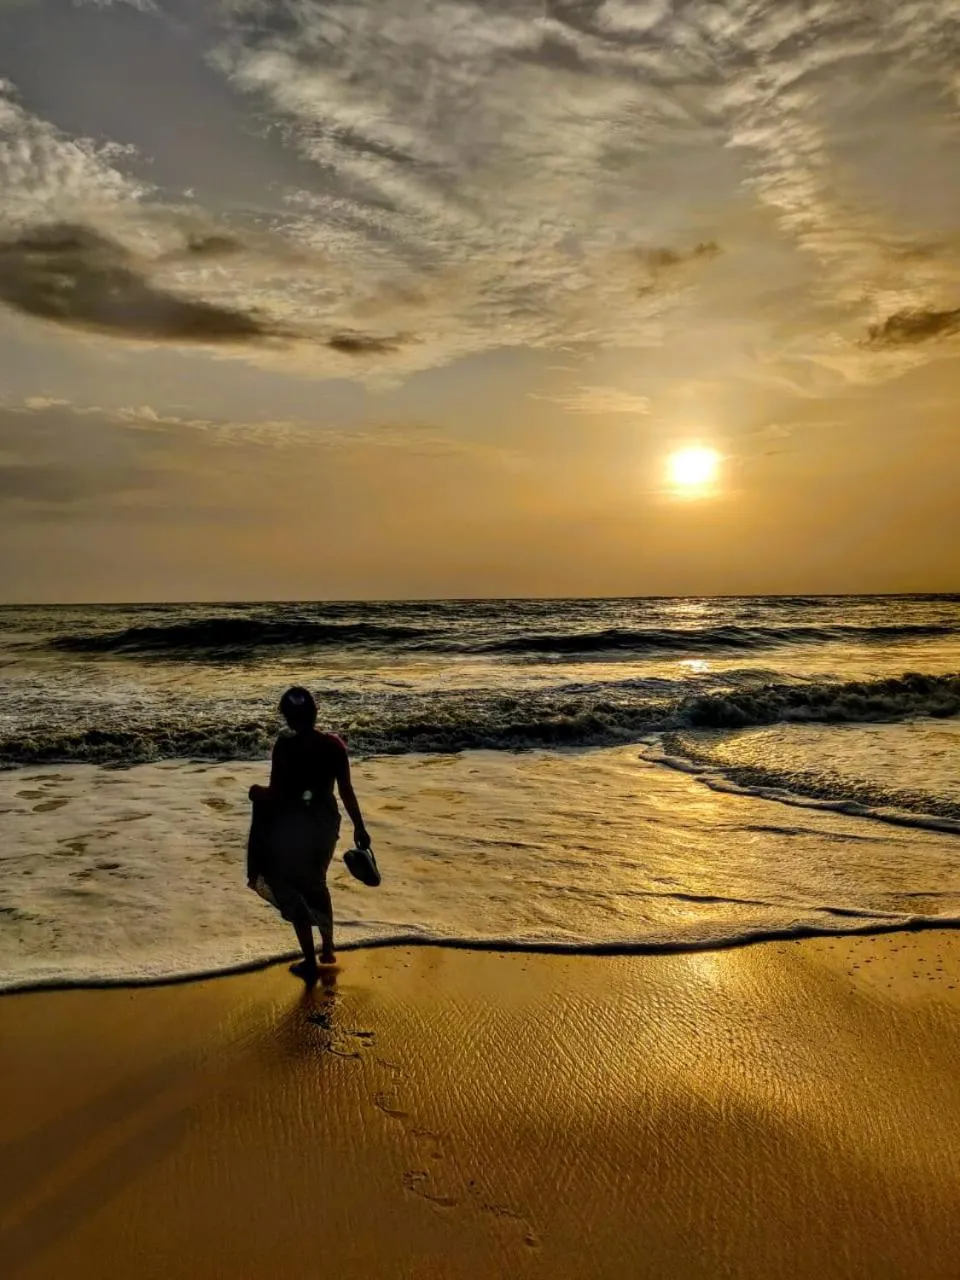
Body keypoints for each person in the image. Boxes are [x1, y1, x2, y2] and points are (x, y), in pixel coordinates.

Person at [247, 686, 370, 985]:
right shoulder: (334, 746)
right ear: (315, 713)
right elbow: (346, 791)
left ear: (288, 718)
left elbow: (277, 793)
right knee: (316, 882)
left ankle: (311, 961)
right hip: (325, 823)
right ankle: (327, 947)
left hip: (293, 825)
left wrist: (255, 794)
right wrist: (359, 826)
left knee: (292, 886)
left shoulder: (285, 747)